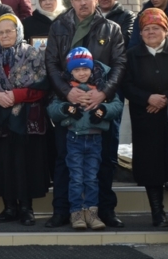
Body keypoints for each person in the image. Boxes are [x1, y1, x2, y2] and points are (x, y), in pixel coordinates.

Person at [44, 0, 127, 228]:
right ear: (72, 1)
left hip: (100, 104)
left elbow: (120, 64)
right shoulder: (58, 26)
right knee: (63, 160)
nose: (83, 3)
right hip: (67, 104)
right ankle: (61, 211)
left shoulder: (111, 29)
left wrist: (102, 93)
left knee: (105, 159)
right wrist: (67, 93)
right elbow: (51, 64)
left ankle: (104, 210)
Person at [122, 8, 168, 228]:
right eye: (146, 29)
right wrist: (147, 98)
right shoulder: (132, 55)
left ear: (166, 30)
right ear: (140, 33)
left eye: (156, 28)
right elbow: (125, 85)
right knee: (150, 166)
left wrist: (167, 100)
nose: (151, 32)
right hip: (146, 119)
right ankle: (157, 213)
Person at [0, 14, 47, 226]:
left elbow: (42, 87)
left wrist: (16, 96)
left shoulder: (33, 54)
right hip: (0, 119)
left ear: (19, 32)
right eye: (0, 32)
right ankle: (9, 207)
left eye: (10, 31)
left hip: (26, 120)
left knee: (24, 163)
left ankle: (26, 208)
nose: (5, 35)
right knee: (3, 163)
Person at [48, 47, 123, 230]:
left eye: (85, 69)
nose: (81, 73)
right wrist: (67, 110)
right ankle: (76, 213)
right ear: (70, 71)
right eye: (77, 69)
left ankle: (92, 213)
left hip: (95, 139)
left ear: (91, 68)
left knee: (91, 178)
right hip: (73, 138)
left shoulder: (101, 85)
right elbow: (52, 109)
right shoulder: (66, 87)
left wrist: (102, 111)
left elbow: (117, 105)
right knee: (75, 178)